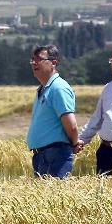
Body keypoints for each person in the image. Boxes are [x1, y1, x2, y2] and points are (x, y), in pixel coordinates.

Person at [25, 44, 81, 179]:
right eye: (33, 60)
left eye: (39, 59)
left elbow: (71, 125)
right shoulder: (43, 89)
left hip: (56, 154)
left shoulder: (58, 88)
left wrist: (75, 143)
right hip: (42, 155)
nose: (34, 63)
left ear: (53, 63)